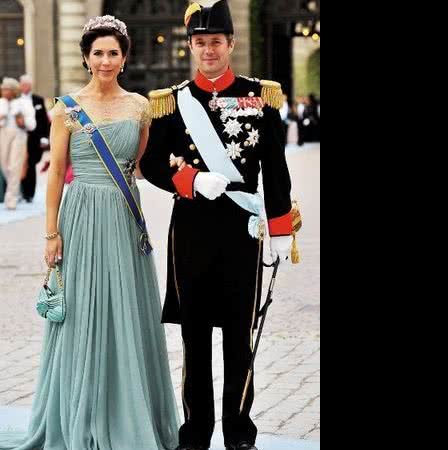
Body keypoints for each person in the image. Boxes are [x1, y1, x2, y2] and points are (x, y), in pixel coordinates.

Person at [0, 15, 179, 450]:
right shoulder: (65, 108)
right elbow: (58, 171)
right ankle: (79, 414)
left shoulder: (140, 106)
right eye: (97, 52)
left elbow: (135, 164)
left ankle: (130, 414)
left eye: (112, 52)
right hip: (78, 217)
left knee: (126, 310)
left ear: (124, 58)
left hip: (122, 216)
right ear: (86, 57)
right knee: (81, 310)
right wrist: (50, 234)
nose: (105, 60)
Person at [140, 1, 294, 449]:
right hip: (191, 232)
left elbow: (276, 169)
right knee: (195, 337)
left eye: (216, 42)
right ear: (191, 45)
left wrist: (280, 230)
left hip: (241, 232)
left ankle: (240, 432)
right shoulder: (171, 103)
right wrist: (188, 179)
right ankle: (196, 430)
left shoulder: (258, 96)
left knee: (238, 337)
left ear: (232, 44)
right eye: (201, 42)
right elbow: (150, 164)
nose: (209, 50)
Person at [0, 77, 36, 210]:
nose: (3, 91)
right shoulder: (1, 103)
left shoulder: (24, 103)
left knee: (14, 166)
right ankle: (16, 191)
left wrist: (21, 119)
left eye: (6, 89)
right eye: (2, 89)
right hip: (3, 133)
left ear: (13, 90)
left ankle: (11, 198)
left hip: (18, 134)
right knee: (4, 166)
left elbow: (31, 125)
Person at [19, 74, 51, 203]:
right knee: (19, 164)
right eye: (23, 84)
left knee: (31, 164)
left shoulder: (38, 100)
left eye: (28, 84)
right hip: (20, 137)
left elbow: (44, 120)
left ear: (31, 86)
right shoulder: (16, 100)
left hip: (34, 138)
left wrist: (44, 137)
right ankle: (21, 192)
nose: (25, 87)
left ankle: (29, 194)